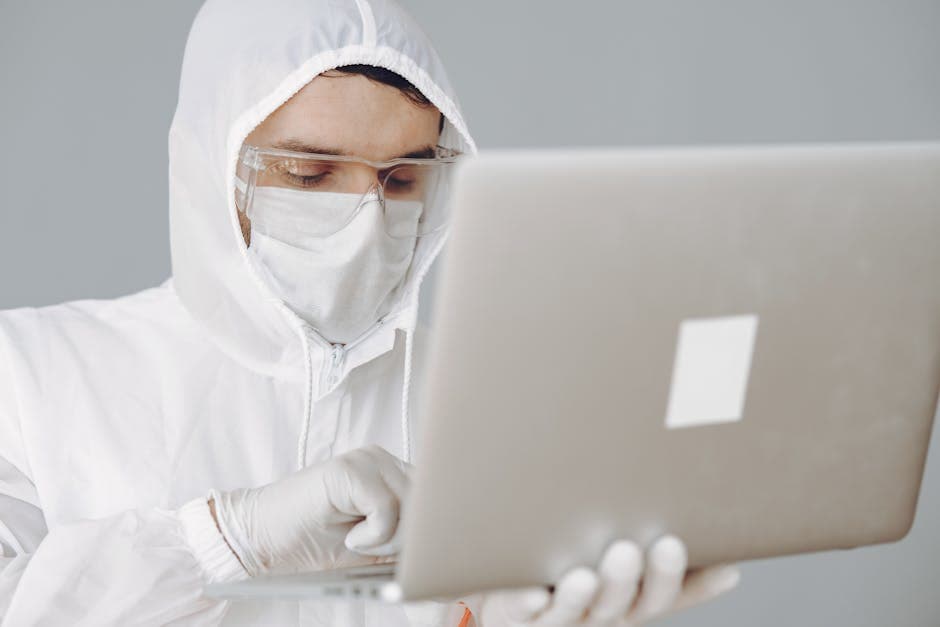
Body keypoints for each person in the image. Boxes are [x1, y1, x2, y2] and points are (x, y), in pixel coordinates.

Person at [0, 0, 740, 625]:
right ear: (207, 165)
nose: (364, 220)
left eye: (401, 178)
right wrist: (227, 539)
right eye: (309, 172)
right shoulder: (31, 376)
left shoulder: (490, 405)